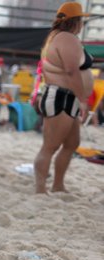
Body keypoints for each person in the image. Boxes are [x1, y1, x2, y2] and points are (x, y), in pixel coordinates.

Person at [34, 2, 93, 194]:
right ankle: (40, 189)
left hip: (63, 96)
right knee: (50, 146)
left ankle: (58, 184)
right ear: (76, 21)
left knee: (71, 143)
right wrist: (83, 100)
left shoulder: (57, 37)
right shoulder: (67, 38)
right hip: (62, 96)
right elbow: (71, 70)